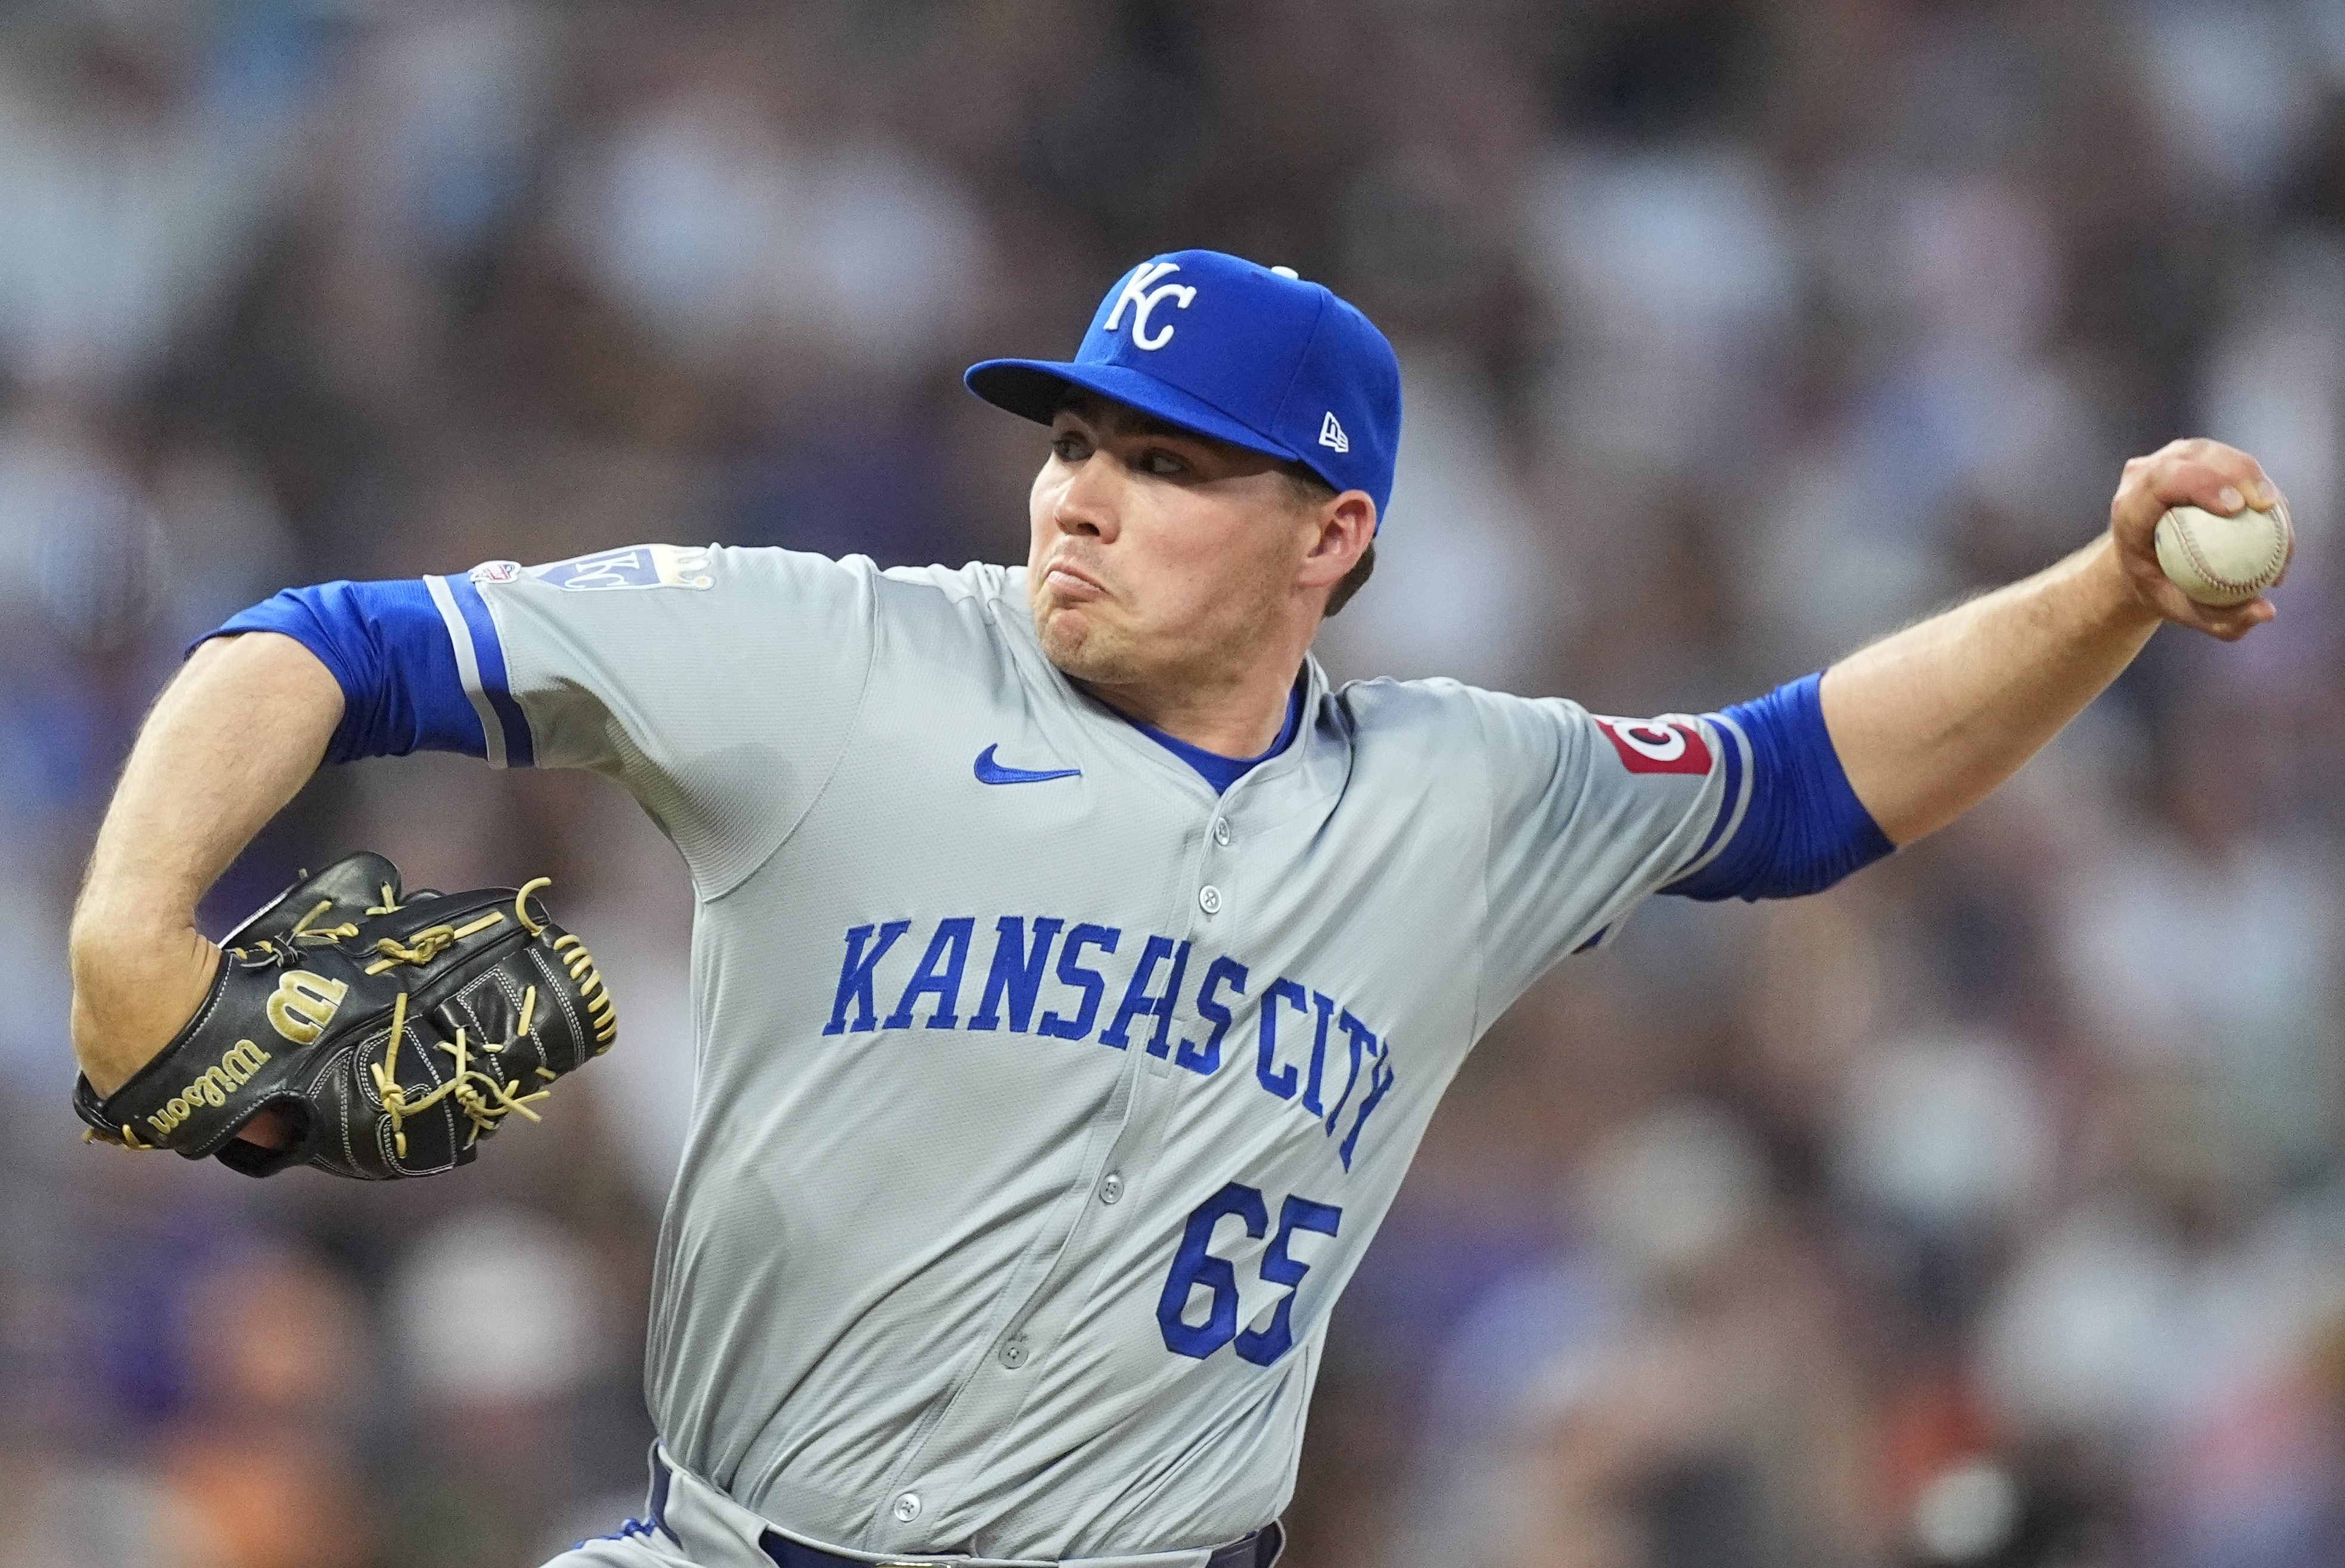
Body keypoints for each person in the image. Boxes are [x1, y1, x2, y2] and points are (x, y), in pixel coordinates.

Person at [68, 250, 2282, 1568]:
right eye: (1071, 442)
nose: (1082, 498)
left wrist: (2101, 592)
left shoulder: (1461, 795)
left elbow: (1802, 781)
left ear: (1333, 536)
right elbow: (324, 639)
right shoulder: (836, 653)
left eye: (1165, 464)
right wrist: (135, 927)